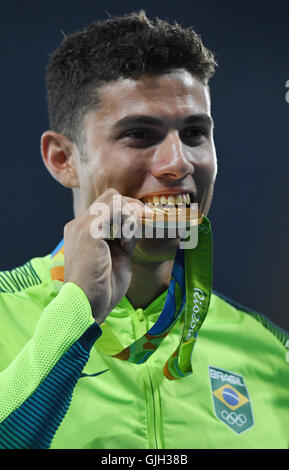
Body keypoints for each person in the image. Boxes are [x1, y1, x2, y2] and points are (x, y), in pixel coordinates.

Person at [0, 10, 288, 450]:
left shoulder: (271, 353)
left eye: (194, 133)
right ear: (63, 159)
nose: (179, 163)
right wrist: (75, 313)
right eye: (139, 134)